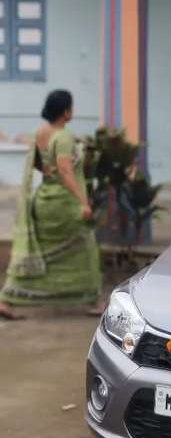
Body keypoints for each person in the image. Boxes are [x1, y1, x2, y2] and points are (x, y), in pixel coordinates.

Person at [0, 90, 102, 319]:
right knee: (86, 249)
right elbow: (65, 170)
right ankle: (95, 302)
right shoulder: (64, 136)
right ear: (66, 111)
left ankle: (7, 299)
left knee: (39, 254)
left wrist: (49, 171)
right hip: (64, 202)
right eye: (71, 107)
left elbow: (38, 163)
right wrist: (83, 201)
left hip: (43, 199)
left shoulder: (40, 132)